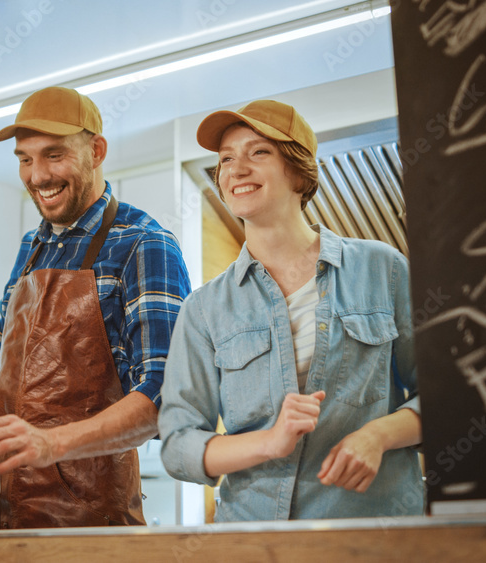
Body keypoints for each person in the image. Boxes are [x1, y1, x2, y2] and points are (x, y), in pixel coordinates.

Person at [0, 87, 191, 528]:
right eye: (25, 159)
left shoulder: (144, 243)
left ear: (97, 150)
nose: (37, 176)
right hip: (3, 510)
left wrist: (50, 444)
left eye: (54, 155)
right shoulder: (32, 247)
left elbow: (166, 397)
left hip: (90, 523)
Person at [158, 100, 423, 521]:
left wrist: (379, 435)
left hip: (373, 532)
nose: (235, 169)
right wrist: (270, 441)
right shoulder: (204, 308)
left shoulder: (382, 269)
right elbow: (176, 445)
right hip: (255, 541)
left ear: (299, 172)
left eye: (258, 152)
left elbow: (446, 395)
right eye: (226, 159)